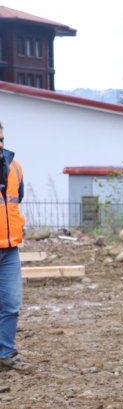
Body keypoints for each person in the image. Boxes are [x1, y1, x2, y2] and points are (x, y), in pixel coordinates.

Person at [0, 122, 31, 372]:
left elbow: (15, 201)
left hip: (10, 248)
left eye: (1, 139)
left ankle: (7, 353)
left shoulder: (15, 166)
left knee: (11, 303)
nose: (0, 145)